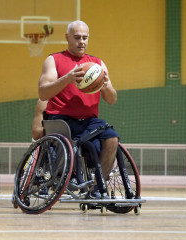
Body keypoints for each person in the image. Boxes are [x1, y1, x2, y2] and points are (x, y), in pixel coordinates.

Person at [38, 20, 118, 199]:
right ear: (67, 38)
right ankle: (66, 176)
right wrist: (67, 79)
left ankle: (98, 189)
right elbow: (43, 93)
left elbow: (112, 99)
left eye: (85, 38)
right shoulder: (54, 60)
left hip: (89, 121)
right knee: (86, 145)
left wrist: (105, 86)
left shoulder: (97, 64)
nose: (81, 41)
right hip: (61, 120)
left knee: (112, 138)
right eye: (77, 38)